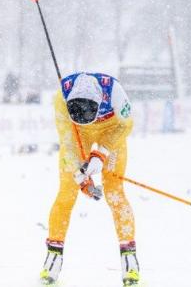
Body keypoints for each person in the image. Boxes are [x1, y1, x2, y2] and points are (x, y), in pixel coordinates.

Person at [39, 73, 140, 286]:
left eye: (89, 112)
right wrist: (80, 176)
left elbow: (127, 124)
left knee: (114, 192)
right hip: (79, 135)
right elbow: (67, 141)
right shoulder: (61, 97)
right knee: (67, 192)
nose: (85, 115)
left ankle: (129, 259)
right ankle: (53, 258)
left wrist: (102, 153)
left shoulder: (114, 92)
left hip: (112, 130)